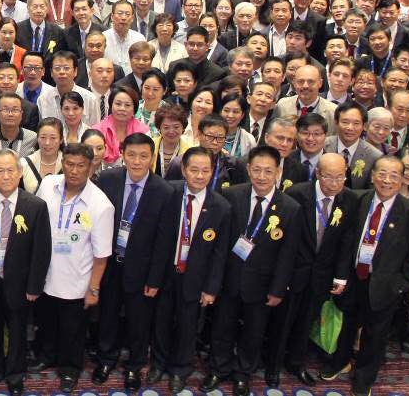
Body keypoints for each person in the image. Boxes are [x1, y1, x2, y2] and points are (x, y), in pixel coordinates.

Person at [321, 155, 409, 396]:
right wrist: (341, 276)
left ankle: (364, 377)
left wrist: (399, 286)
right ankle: (340, 362)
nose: (386, 180)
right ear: (372, 175)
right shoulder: (358, 199)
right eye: (382, 173)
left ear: (401, 180)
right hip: (354, 277)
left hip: (384, 285)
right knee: (347, 324)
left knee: (375, 334)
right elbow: (347, 241)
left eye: (394, 176)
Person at [205, 145, 302, 396]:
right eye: (256, 170)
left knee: (253, 332)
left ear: (277, 173)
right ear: (248, 169)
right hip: (229, 278)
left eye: (268, 171)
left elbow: (287, 255)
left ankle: (242, 374)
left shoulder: (290, 208)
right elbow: (220, 243)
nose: (261, 176)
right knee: (221, 327)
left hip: (262, 284)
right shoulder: (231, 196)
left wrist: (277, 289)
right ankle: (218, 368)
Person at [145, 146, 231, 394]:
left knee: (188, 325)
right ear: (183, 170)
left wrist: (211, 288)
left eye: (205, 170)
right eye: (194, 170)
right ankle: (158, 363)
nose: (200, 176)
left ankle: (179, 369)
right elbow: (156, 240)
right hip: (166, 272)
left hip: (196, 277)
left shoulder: (221, 207)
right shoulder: (168, 193)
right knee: (161, 320)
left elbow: (220, 254)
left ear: (212, 172)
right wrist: (153, 278)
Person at [273, 152, 359, 387]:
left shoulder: (349, 199)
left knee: (307, 321)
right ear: (318, 174)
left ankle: (296, 363)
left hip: (322, 274)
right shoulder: (297, 194)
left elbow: (346, 241)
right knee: (284, 320)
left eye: (340, 177)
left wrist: (341, 276)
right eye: (329, 177)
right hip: (294, 272)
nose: (335, 183)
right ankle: (273, 364)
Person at [93, 131, 171, 391]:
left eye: (143, 156)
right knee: (107, 314)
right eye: (132, 155)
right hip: (109, 264)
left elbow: (163, 242)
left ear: (152, 157)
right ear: (122, 155)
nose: (137, 161)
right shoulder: (108, 179)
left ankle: (134, 366)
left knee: (139, 321)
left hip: (142, 269)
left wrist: (155, 279)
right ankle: (106, 359)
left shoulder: (163, 191)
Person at [0, 149, 51, 396]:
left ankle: (16, 374)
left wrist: (35, 285)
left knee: (18, 329)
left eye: (10, 170)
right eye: (0, 171)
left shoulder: (35, 205)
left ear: (20, 172)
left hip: (20, 281)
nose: (5, 176)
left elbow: (41, 250)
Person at [33, 142, 112, 392]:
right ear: (62, 162)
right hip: (46, 274)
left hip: (77, 279)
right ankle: (47, 356)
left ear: (90, 167)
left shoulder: (101, 204)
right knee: (47, 322)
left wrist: (93, 288)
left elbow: (101, 255)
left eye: (81, 166)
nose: (74, 170)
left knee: (72, 330)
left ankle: (70, 369)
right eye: (69, 164)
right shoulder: (48, 185)